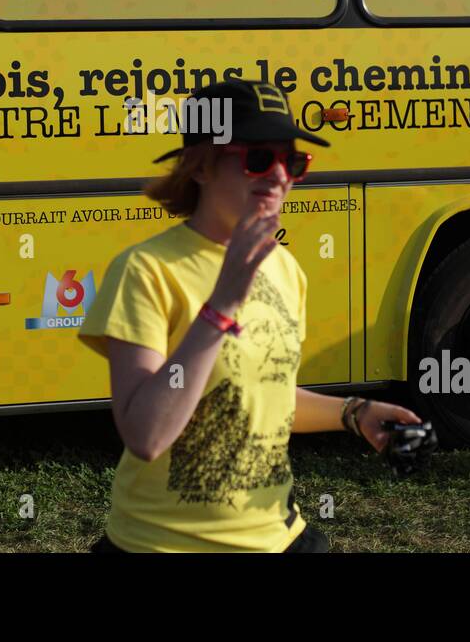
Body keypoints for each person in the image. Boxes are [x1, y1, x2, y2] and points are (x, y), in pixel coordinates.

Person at [78, 78, 421, 553]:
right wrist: (221, 306)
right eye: (258, 158)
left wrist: (354, 413)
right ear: (200, 167)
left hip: (279, 537)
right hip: (164, 545)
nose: (280, 175)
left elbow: (264, 395)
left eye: (293, 161)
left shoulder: (284, 268)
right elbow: (146, 433)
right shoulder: (145, 271)